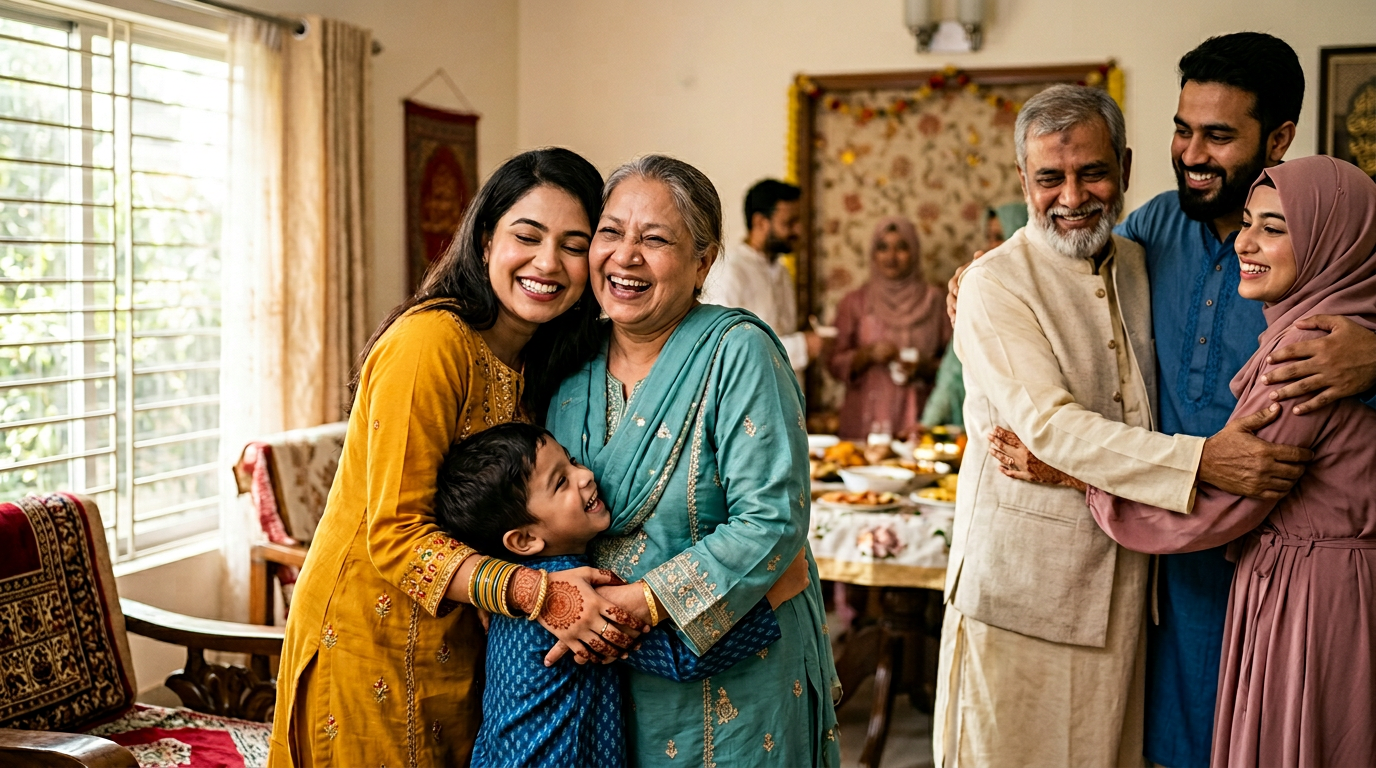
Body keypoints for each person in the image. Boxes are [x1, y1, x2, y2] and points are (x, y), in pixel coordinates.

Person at [953, 33, 1376, 768]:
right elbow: (1061, 248)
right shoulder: (1152, 231)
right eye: (1183, 130)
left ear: (1278, 138)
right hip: (1159, 568)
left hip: (1289, 574)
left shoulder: (1327, 250)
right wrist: (980, 276)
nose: (1192, 153)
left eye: (1219, 135)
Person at [268, 149, 644, 767]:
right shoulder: (430, 343)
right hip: (370, 638)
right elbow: (393, 535)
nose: (547, 263)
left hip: (466, 636)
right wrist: (545, 596)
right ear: (486, 237)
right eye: (528, 236)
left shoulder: (541, 359)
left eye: (574, 245)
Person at [934, 84, 1252, 768]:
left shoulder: (1138, 260)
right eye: (1050, 177)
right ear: (1024, 180)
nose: (1072, 196)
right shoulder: (996, 284)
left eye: (1093, 172)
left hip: (1127, 587)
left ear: (1127, 168)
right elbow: (1049, 427)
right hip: (1021, 592)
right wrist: (1201, 463)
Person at [547, 155, 841, 766]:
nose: (626, 256)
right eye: (611, 232)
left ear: (703, 263)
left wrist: (646, 599)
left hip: (738, 677)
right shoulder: (568, 364)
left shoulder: (738, 351)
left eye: (655, 239)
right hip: (607, 675)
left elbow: (772, 519)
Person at [431, 422, 813, 768]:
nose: (585, 475)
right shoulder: (577, 598)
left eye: (573, 461)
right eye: (560, 482)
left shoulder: (513, 592)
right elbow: (680, 656)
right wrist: (776, 594)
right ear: (525, 539)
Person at [825, 216, 948, 440]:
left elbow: (956, 365)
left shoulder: (936, 301)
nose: (891, 257)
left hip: (919, 419)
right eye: (883, 248)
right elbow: (833, 363)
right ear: (873, 253)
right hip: (866, 421)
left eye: (901, 248)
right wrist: (867, 355)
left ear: (915, 251)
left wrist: (921, 367)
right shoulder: (855, 303)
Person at [700, 178, 827, 374]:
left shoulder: (781, 271)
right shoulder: (730, 271)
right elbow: (725, 349)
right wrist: (801, 347)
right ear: (760, 222)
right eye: (790, 222)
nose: (799, 230)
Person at [921, 203, 1025, 429]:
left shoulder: (1039, 295)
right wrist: (927, 424)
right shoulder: (981, 285)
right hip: (983, 430)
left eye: (999, 236)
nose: (991, 246)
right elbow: (952, 370)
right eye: (989, 237)